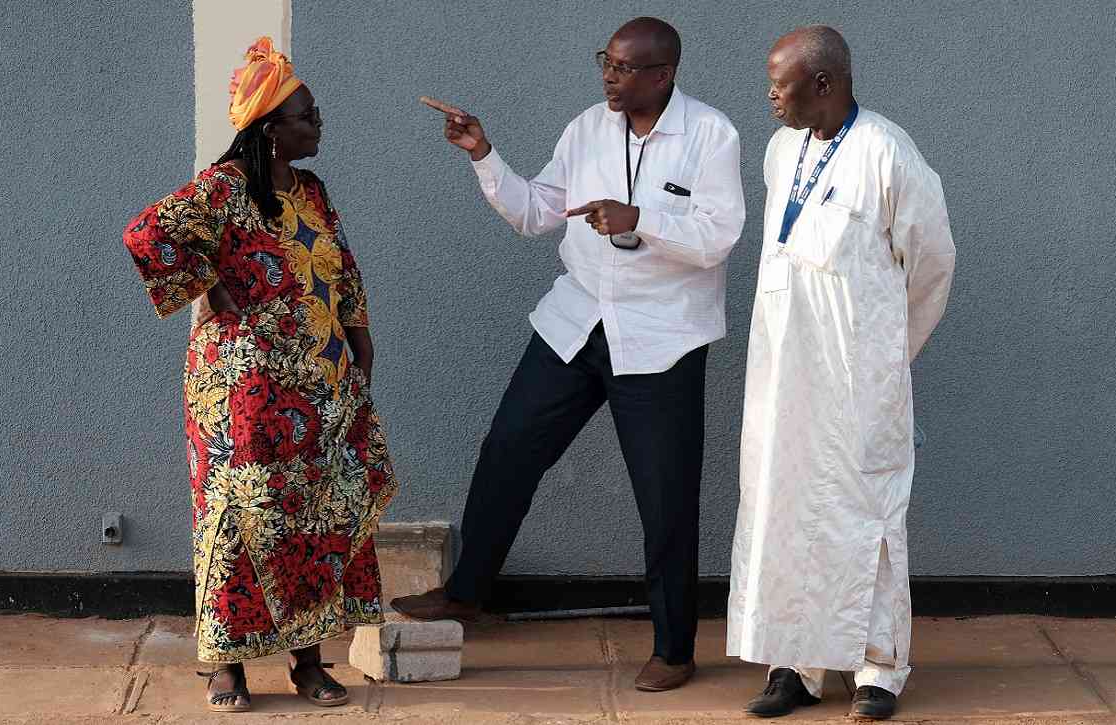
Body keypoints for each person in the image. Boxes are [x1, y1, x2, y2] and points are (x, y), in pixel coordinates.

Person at [393, 16, 745, 693]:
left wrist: (641, 218)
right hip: (576, 322)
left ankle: (674, 647)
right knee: (508, 447)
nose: (609, 76)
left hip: (662, 339)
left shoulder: (710, 134)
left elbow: (719, 235)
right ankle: (467, 592)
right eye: (605, 63)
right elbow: (534, 212)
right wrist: (482, 153)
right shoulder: (586, 127)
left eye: (623, 67)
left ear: (663, 73)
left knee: (667, 496)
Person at [122, 37, 398, 713]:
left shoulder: (312, 191)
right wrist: (207, 284)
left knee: (314, 516)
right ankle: (226, 667)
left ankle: (309, 663)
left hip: (318, 382)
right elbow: (145, 232)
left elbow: (342, 267)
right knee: (236, 519)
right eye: (307, 115)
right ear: (271, 129)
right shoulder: (221, 192)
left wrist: (359, 336)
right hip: (241, 392)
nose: (319, 123)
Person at [726, 26, 956, 720]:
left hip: (860, 382)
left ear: (823, 84)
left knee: (868, 517)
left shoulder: (888, 152)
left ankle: (878, 670)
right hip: (782, 376)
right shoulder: (779, 149)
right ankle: (794, 664)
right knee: (784, 509)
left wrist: (885, 357)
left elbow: (933, 266)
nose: (769, 96)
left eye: (781, 83)